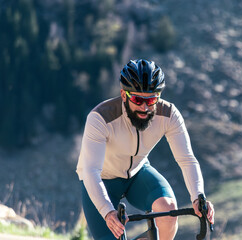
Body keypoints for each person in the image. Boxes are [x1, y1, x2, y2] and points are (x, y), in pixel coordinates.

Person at [76, 59, 215, 240]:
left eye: (151, 100)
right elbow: (91, 170)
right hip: (101, 179)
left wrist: (198, 198)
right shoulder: (101, 118)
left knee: (169, 211)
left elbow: (187, 159)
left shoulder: (169, 114)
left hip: (137, 173)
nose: (145, 107)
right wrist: (107, 211)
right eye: (138, 99)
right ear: (123, 95)